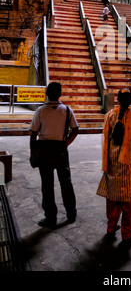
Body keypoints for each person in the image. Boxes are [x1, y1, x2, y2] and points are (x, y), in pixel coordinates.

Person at [29, 82, 79, 229]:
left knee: (47, 185)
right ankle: (71, 213)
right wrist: (65, 143)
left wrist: (33, 154)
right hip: (61, 150)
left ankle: (50, 217)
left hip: (44, 150)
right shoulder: (67, 110)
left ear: (46, 93)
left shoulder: (40, 111)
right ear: (60, 94)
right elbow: (75, 130)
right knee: (66, 182)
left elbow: (33, 134)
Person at [97, 88, 131, 243]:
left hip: (112, 161)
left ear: (117, 99)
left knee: (112, 197)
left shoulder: (109, 115)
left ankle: (111, 227)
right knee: (128, 199)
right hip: (128, 163)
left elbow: (106, 137)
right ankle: (127, 233)